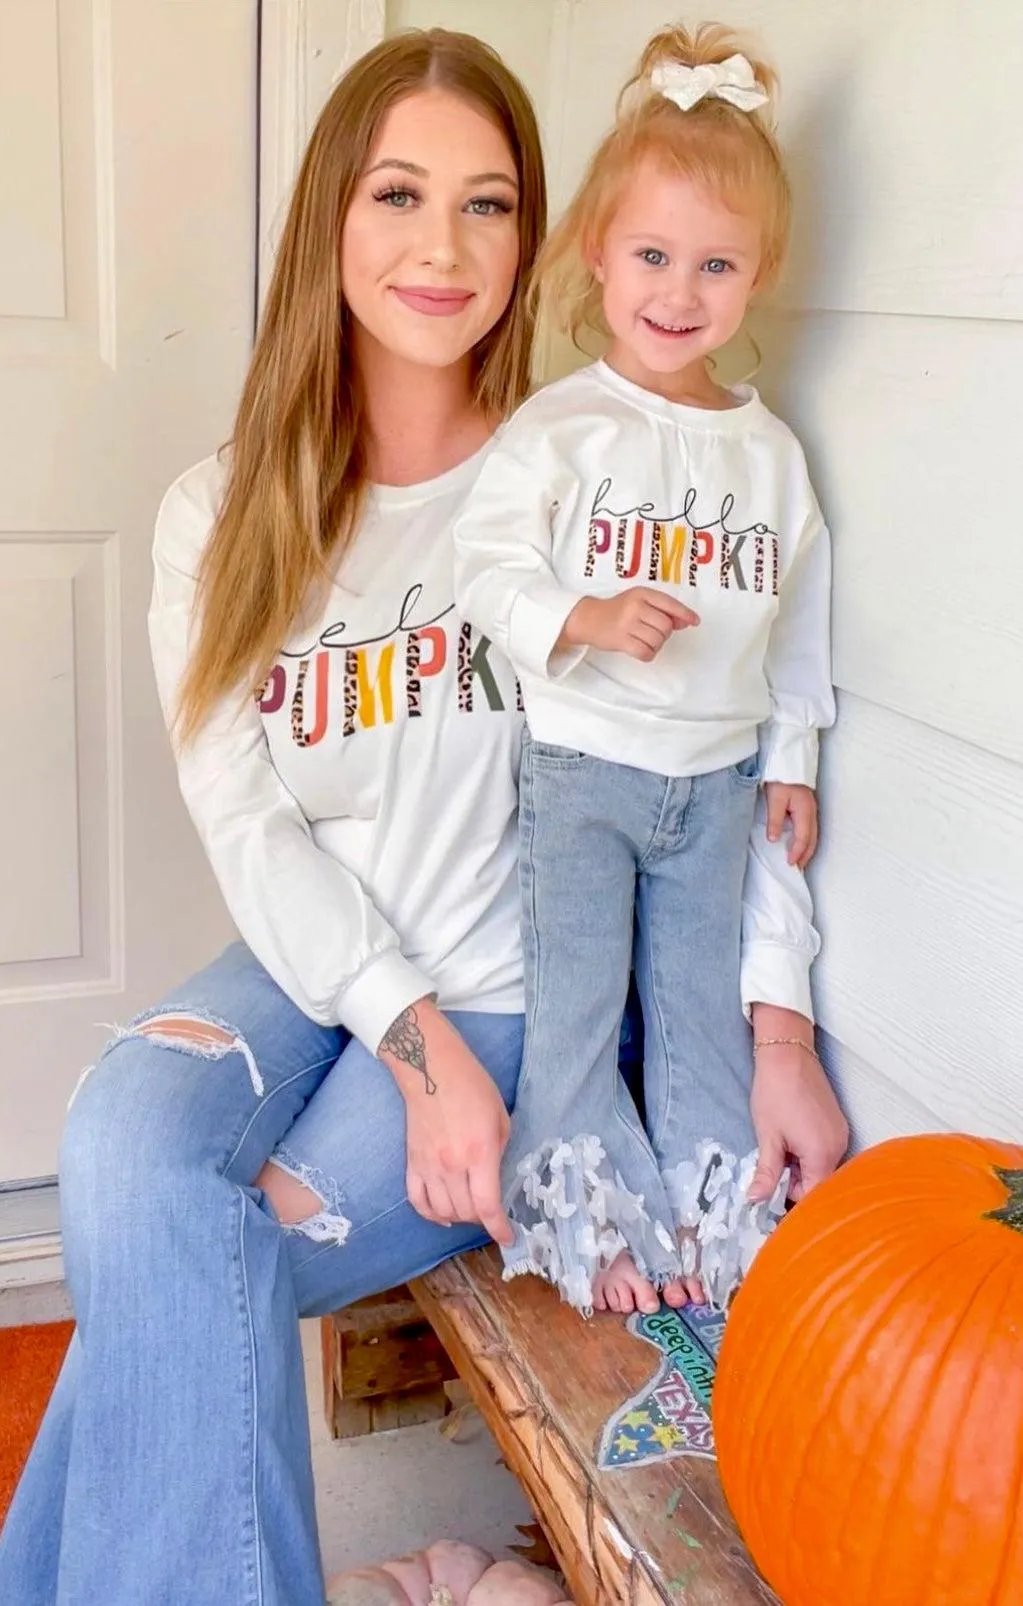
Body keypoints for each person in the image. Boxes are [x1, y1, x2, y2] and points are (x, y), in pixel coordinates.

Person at [0, 29, 547, 1606]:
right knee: (121, 1145)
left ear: (529, 236)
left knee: (187, 1261)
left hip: (495, 991)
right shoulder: (222, 513)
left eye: (488, 205)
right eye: (400, 193)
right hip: (307, 973)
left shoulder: (560, 484)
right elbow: (250, 824)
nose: (442, 247)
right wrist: (397, 1032)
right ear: (330, 222)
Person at [453, 23, 849, 1322]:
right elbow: (486, 576)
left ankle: (702, 1205)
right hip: (583, 772)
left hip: (714, 783)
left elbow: (794, 620)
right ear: (596, 256)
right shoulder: (560, 429)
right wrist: (581, 614)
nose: (679, 291)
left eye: (715, 264)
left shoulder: (767, 454)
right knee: (577, 1007)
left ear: (757, 276)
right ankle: (591, 1211)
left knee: (692, 1012)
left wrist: (786, 759)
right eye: (652, 255)